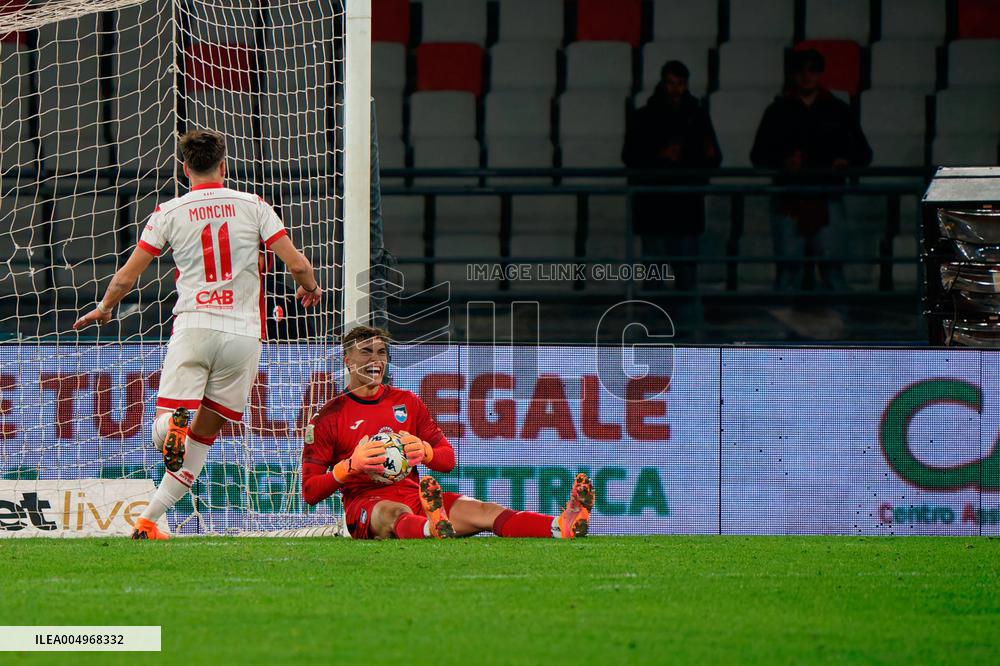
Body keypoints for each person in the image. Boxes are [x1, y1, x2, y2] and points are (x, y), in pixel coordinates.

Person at [73, 129, 322, 539]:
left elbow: (127, 276)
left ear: (184, 168)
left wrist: (104, 308)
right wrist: (310, 288)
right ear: (223, 165)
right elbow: (297, 265)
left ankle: (171, 428)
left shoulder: (169, 211)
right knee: (204, 435)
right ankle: (149, 521)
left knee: (168, 426)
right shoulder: (253, 205)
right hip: (243, 336)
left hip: (194, 325)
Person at [301, 326, 594, 539]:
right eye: (366, 352)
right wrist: (350, 466)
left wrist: (425, 452)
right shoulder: (329, 416)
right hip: (366, 504)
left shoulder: (407, 402)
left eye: (381, 352)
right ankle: (432, 527)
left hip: (418, 498)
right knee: (393, 514)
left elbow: (448, 459)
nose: (375, 359)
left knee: (484, 510)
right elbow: (310, 491)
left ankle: (560, 525)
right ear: (347, 361)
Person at [750, 49, 872, 291]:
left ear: (820, 74)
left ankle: (841, 327)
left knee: (832, 270)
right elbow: (758, 155)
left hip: (826, 197)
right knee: (788, 272)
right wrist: (783, 162)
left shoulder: (837, 110)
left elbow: (863, 153)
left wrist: (845, 161)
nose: (806, 76)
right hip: (789, 199)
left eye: (812, 70)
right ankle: (787, 327)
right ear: (793, 75)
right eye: (801, 71)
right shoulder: (777, 111)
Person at [622, 60, 722, 290]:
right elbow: (629, 156)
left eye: (680, 84)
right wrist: (661, 155)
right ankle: (658, 320)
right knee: (656, 271)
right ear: (663, 83)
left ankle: (678, 321)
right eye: (671, 83)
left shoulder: (698, 117)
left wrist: (692, 157)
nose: (676, 89)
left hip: (684, 203)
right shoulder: (643, 117)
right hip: (654, 203)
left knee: (684, 272)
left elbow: (714, 157)